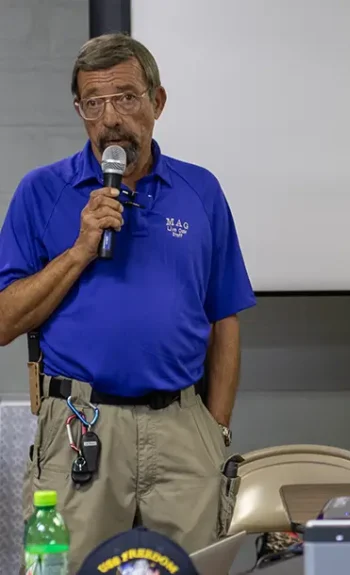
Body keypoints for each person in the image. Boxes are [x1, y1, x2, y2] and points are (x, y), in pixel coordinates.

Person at [0, 33, 256, 571]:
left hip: (184, 429)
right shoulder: (41, 192)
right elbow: (4, 320)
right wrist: (79, 250)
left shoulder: (201, 191)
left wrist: (216, 429)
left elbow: (224, 316)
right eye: (94, 103)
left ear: (156, 102)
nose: (110, 117)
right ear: (79, 111)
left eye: (125, 98)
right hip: (80, 426)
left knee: (194, 567)